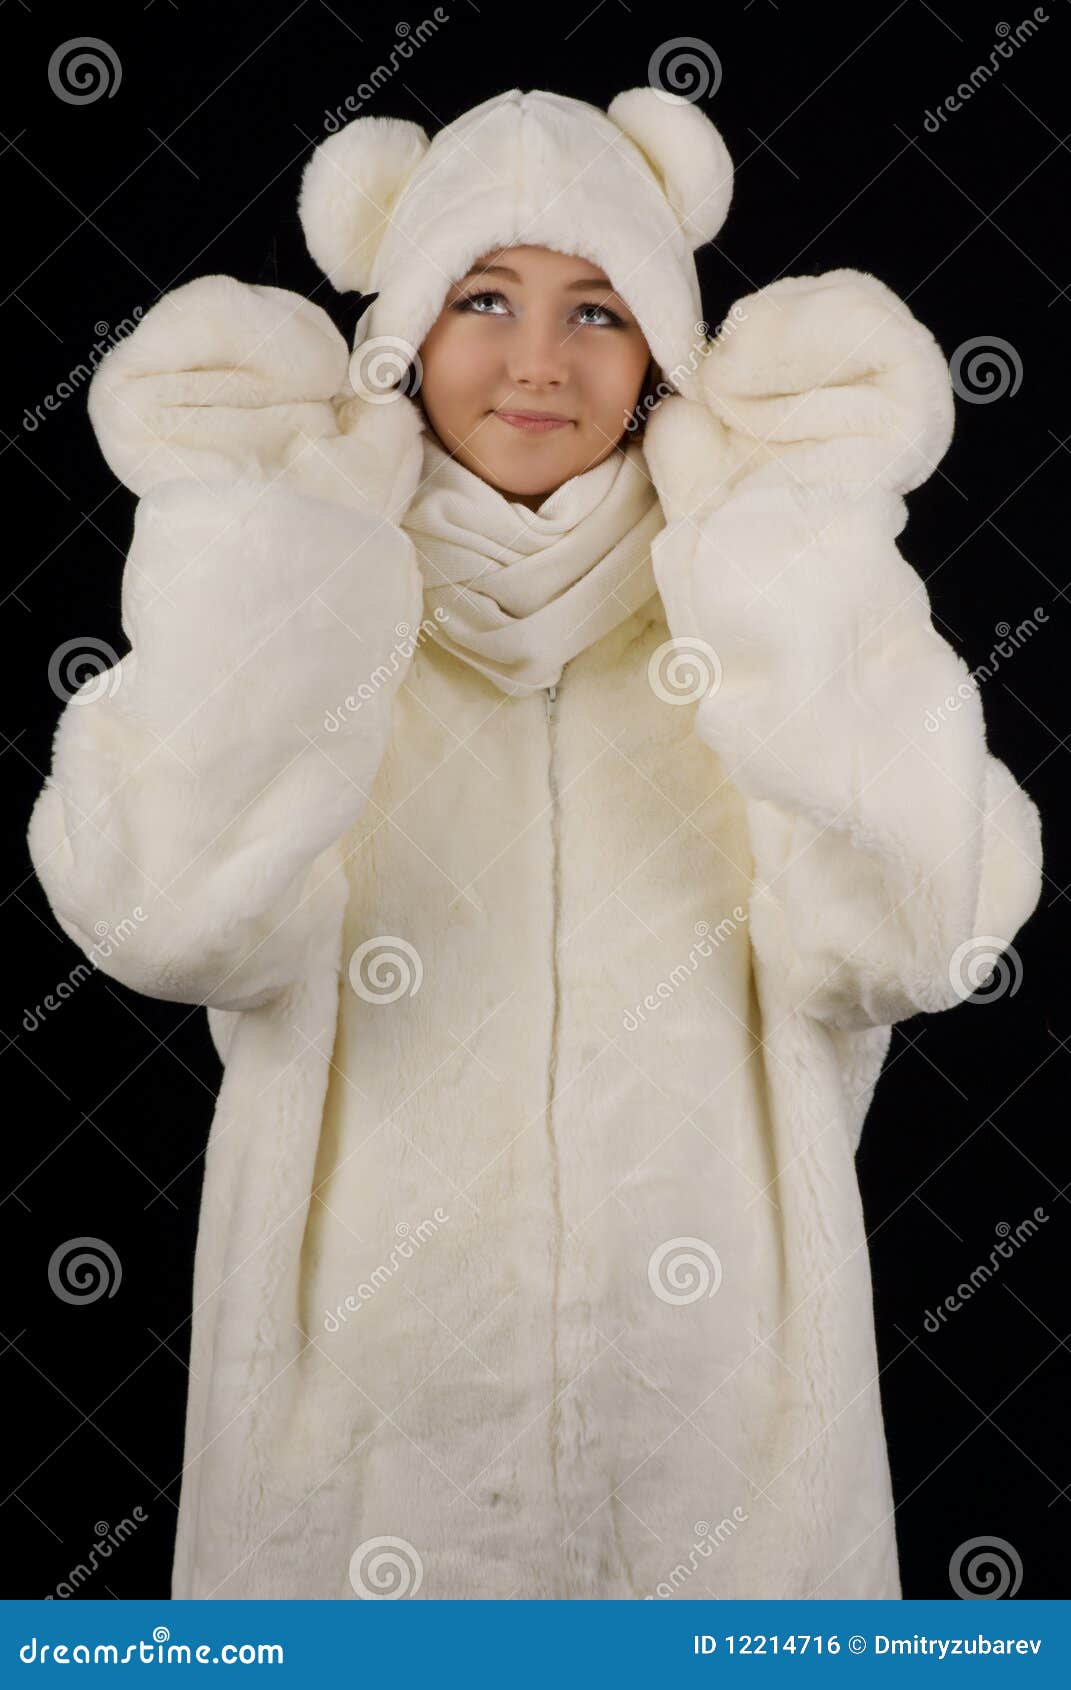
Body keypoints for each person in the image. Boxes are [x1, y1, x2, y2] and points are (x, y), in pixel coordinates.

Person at [26, 86, 1043, 1601]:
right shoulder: (312, 605)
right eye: (482, 297)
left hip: (726, 1471)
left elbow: (915, 937)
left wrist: (790, 562)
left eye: (601, 310)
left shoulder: (751, 609)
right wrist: (284, 562)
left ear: (665, 357)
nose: (535, 361)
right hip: (356, 1471)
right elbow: (166, 916)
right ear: (405, 332)